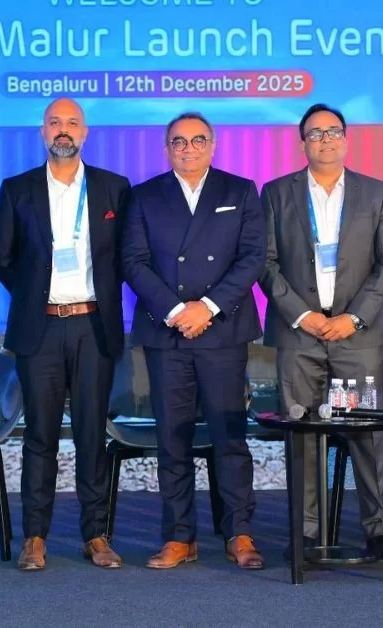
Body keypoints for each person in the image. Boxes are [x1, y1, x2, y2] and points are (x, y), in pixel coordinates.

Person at [0, 98, 131, 570]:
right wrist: (35, 295)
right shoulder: (18, 188)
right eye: (55, 123)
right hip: (41, 328)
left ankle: (96, 535)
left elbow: (125, 257)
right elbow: (2, 257)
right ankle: (35, 536)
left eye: (72, 123)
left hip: (94, 326)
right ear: (43, 132)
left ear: (85, 132)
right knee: (40, 436)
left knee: (92, 435)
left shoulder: (114, 188)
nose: (63, 130)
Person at [121, 111, 267, 570]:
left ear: (213, 145)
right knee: (173, 438)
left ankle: (239, 533)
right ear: (167, 148)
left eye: (198, 140)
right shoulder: (144, 195)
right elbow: (134, 261)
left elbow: (252, 258)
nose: (189, 148)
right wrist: (176, 310)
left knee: (230, 437)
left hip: (222, 330)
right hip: (167, 332)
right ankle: (179, 536)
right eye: (179, 141)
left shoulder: (239, 191)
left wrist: (207, 307)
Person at [259, 103, 383, 561]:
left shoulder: (375, 192)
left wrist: (353, 318)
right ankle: (305, 533)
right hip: (299, 334)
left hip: (357, 336)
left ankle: (379, 532)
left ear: (346, 139)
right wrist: (301, 315)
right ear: (302, 143)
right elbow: (265, 263)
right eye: (315, 133)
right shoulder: (276, 193)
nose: (325, 139)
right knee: (302, 434)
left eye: (333, 131)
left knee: (368, 436)